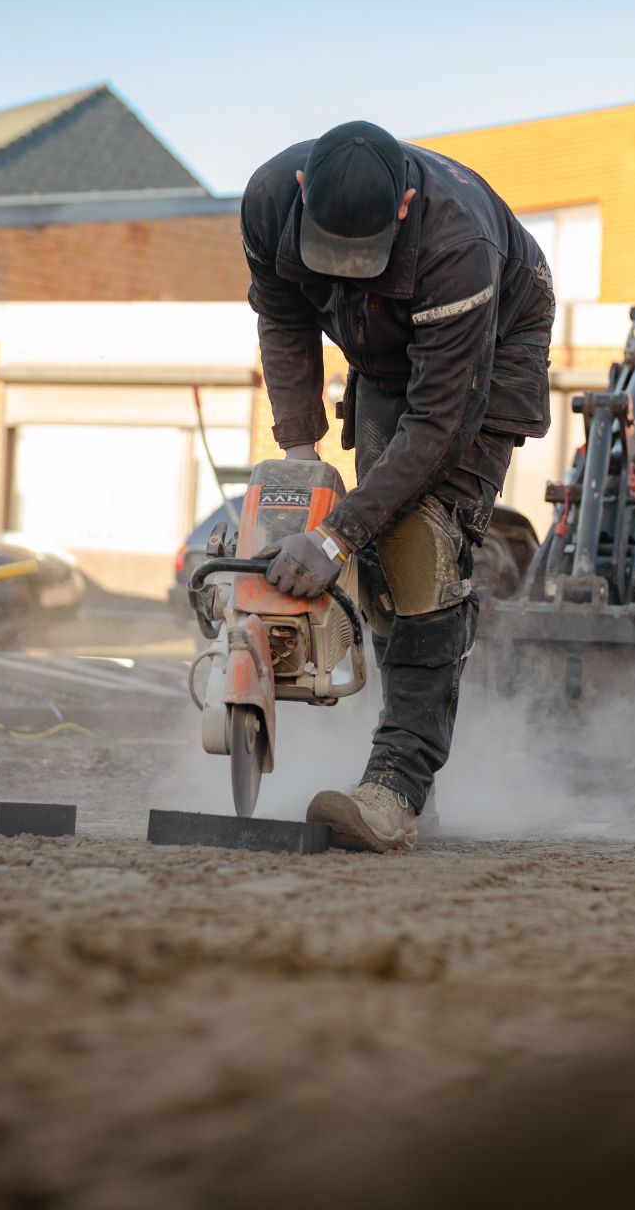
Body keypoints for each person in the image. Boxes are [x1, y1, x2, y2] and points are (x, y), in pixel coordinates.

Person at [240, 121, 554, 852]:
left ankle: (395, 789)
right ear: (298, 198)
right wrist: (302, 462)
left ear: (405, 209)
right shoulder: (264, 202)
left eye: (363, 258)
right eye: (331, 257)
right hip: (381, 352)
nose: (344, 272)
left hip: (488, 347)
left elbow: (440, 422)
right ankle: (413, 779)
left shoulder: (458, 244)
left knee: (418, 544)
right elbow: (284, 322)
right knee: (377, 568)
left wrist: (331, 535)